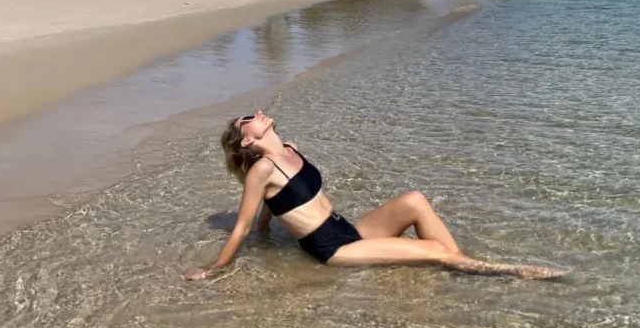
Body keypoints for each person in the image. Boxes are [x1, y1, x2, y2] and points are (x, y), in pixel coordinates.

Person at [181, 110, 567, 280]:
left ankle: (462, 264)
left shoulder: (291, 149)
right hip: (330, 249)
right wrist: (212, 271)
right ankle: (510, 272)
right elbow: (242, 227)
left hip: (345, 228)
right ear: (248, 139)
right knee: (433, 251)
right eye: (249, 117)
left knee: (414, 200)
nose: (259, 112)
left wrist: (271, 233)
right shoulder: (262, 170)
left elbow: (270, 209)